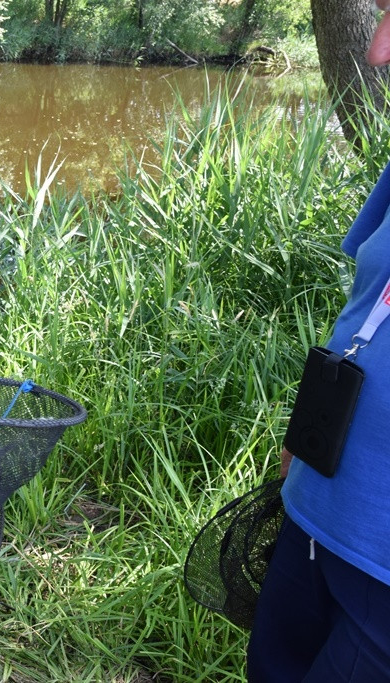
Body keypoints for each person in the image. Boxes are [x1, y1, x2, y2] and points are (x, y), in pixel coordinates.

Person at [246, 6, 390, 680]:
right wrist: (300, 441)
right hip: (315, 503)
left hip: (383, 563)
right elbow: (364, 307)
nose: (379, 50)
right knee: (270, 666)